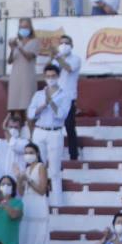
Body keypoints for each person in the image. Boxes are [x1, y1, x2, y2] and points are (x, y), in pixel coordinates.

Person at [27, 65, 70, 207]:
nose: (50, 79)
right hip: (39, 131)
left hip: (55, 132)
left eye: (53, 76)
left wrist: (50, 102)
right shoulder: (39, 94)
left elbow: (62, 115)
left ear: (58, 77)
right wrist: (42, 105)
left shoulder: (65, 95)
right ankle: (38, 199)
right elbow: (30, 114)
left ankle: (57, 203)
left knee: (55, 169)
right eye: (48, 76)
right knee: (39, 165)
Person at [0, 111, 29, 183]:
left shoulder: (24, 143)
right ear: (7, 127)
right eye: (10, 127)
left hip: (17, 183)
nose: (13, 129)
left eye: (16, 127)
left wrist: (5, 130)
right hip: (1, 182)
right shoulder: (0, 142)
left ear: (20, 129)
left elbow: (14, 145)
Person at [5, 19, 38, 117]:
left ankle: (30, 130)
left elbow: (29, 57)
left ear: (30, 28)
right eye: (21, 27)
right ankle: (15, 129)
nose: (23, 29)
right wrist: (12, 49)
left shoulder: (34, 42)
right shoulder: (17, 42)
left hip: (27, 77)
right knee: (15, 106)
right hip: (15, 77)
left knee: (28, 105)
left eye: (25, 27)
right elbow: (10, 61)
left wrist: (19, 47)